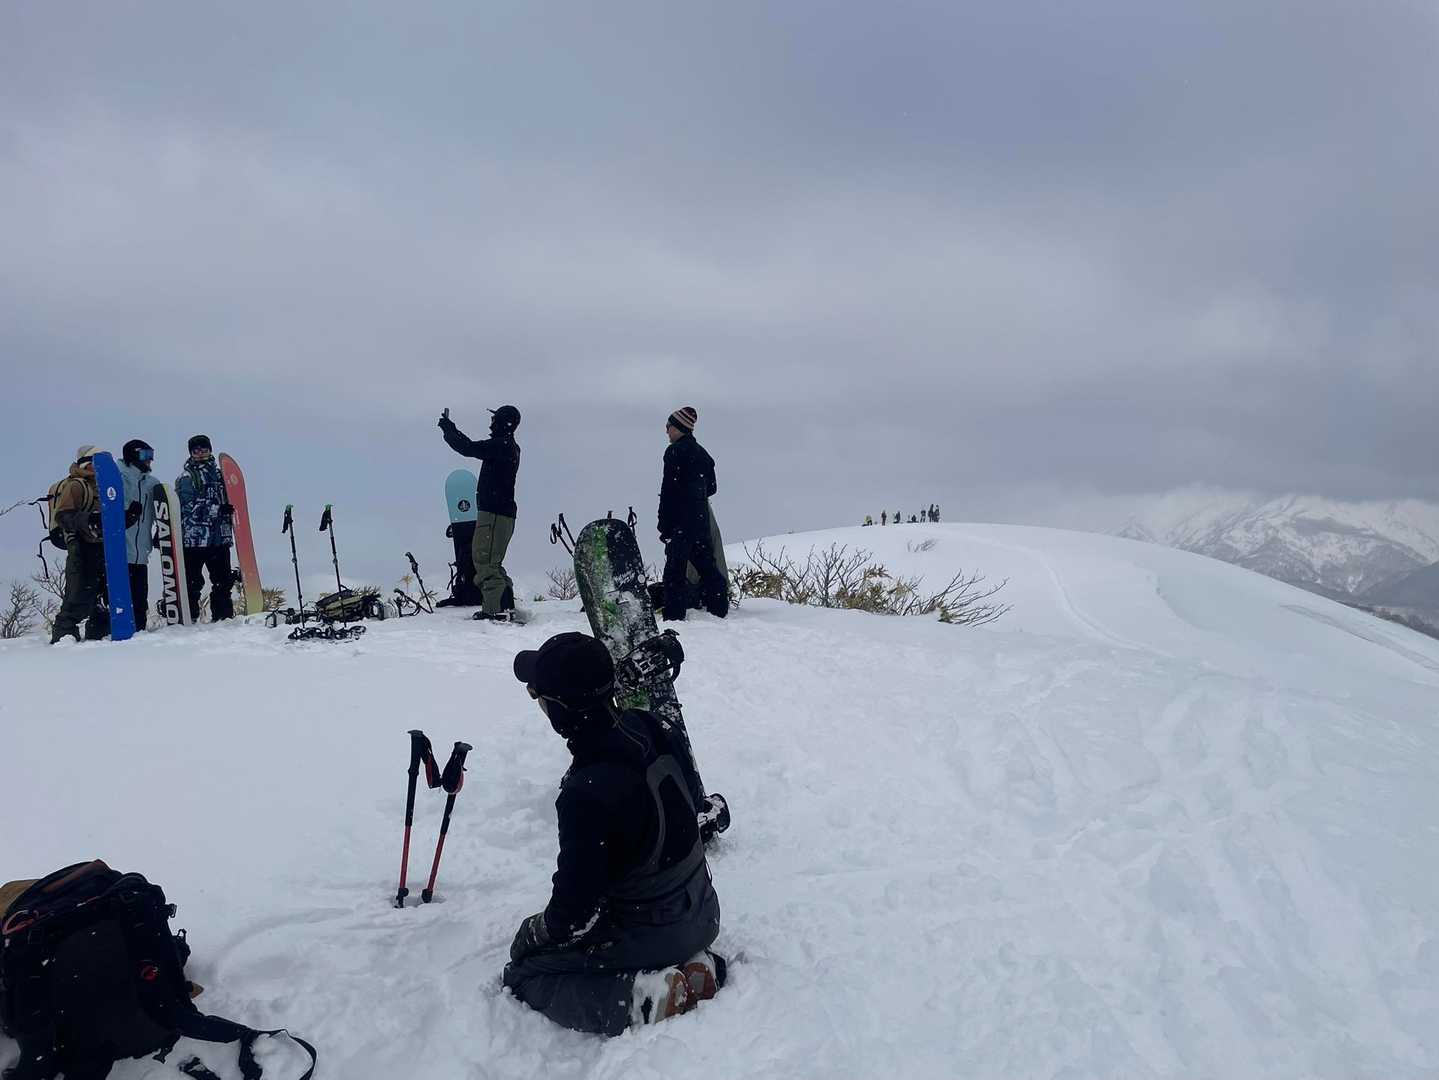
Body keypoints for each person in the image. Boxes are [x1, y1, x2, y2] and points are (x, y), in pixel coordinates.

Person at [503, 632, 725, 1035]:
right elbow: (693, 805)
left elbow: (575, 918)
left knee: (524, 975)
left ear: (558, 710)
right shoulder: (651, 726)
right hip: (704, 910)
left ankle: (643, 1000)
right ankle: (696, 962)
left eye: (537, 695)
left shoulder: (585, 793)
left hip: (656, 931)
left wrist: (533, 933)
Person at [437, 405, 520, 618]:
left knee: (485, 562)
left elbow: (467, 448)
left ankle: (495, 611)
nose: (491, 423)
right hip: (502, 513)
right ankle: (504, 605)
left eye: (494, 419)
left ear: (502, 422)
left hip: (493, 513)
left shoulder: (500, 445)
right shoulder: (509, 446)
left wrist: (448, 429)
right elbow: (471, 447)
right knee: (493, 563)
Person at [657, 407, 728, 621]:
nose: (666, 431)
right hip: (700, 519)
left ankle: (674, 616)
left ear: (679, 427)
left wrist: (664, 524)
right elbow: (712, 487)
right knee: (707, 566)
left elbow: (668, 490)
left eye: (669, 426)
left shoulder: (674, 452)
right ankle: (718, 608)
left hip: (681, 521)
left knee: (674, 571)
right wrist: (697, 495)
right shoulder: (703, 454)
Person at [49, 446, 109, 644]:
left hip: (100, 545)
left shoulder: (103, 486)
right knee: (78, 592)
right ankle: (64, 636)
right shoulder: (76, 485)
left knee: (100, 593)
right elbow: (63, 515)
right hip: (80, 545)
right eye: (95, 463)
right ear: (86, 464)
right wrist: (88, 520)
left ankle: (99, 632)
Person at [175, 435, 234, 622]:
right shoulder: (186, 478)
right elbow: (187, 508)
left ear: (210, 450)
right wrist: (217, 509)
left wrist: (230, 511)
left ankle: (223, 618)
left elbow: (234, 497)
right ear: (191, 453)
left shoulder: (221, 475)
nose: (200, 453)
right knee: (192, 582)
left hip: (219, 538)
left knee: (223, 581)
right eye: (196, 450)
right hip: (195, 540)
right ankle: (188, 619)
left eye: (204, 449)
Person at [118, 439, 162, 631]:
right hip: (118, 553)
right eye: (145, 455)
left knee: (139, 600)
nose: (150, 460)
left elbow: (159, 512)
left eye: (151, 455)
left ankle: (139, 635)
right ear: (133, 455)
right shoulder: (117, 478)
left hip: (141, 553)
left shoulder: (152, 484)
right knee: (116, 600)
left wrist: (162, 530)